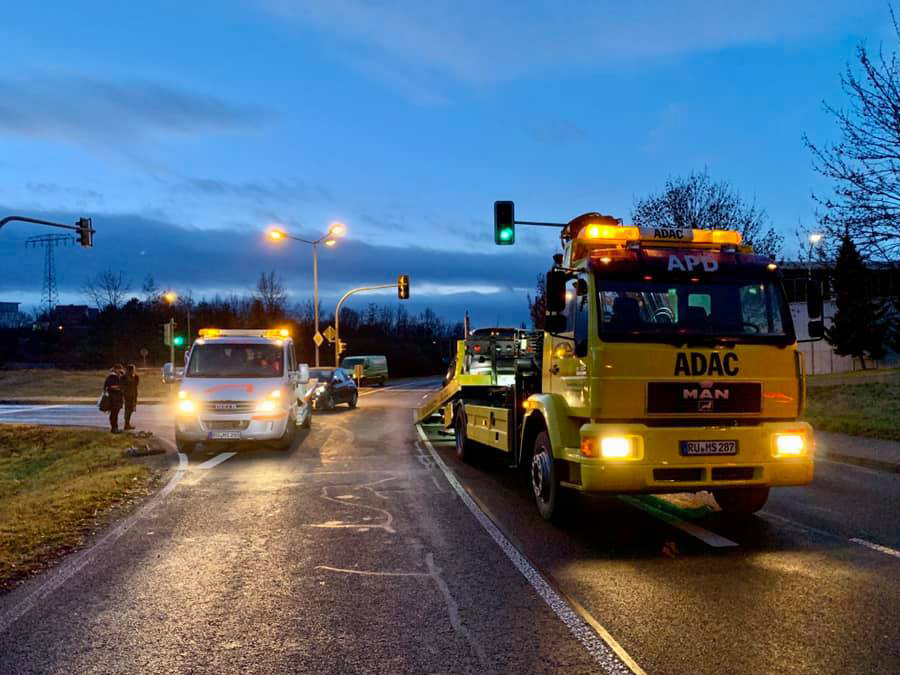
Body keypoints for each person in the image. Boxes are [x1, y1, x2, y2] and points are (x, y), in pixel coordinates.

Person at [103, 364, 125, 433]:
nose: (120, 370)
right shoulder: (111, 377)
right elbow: (108, 386)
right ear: (115, 369)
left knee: (116, 413)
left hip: (118, 397)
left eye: (120, 369)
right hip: (113, 397)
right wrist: (118, 387)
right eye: (118, 369)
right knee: (114, 413)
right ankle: (114, 428)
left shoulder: (120, 376)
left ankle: (115, 427)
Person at [123, 364, 140, 430]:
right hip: (128, 395)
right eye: (133, 369)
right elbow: (123, 386)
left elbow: (136, 385)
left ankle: (127, 424)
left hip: (133, 394)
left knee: (131, 409)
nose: (134, 370)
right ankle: (126, 424)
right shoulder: (124, 377)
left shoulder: (135, 376)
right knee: (128, 409)